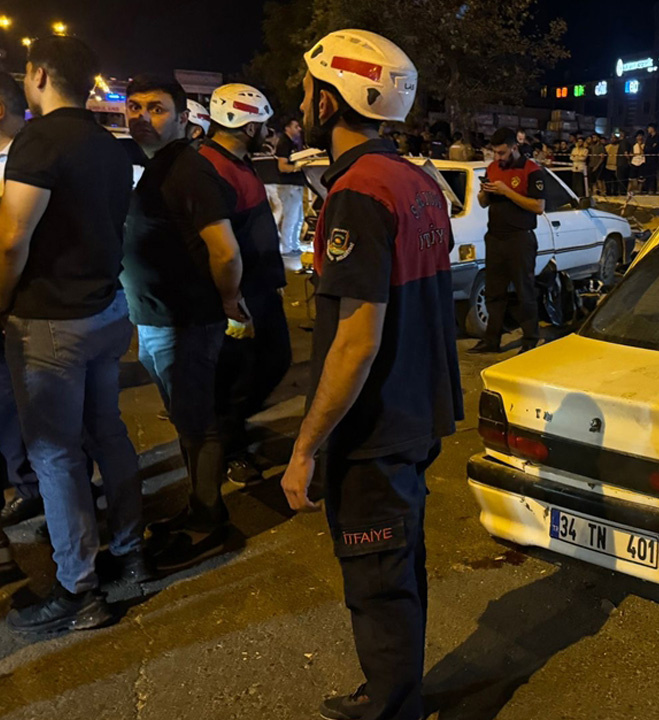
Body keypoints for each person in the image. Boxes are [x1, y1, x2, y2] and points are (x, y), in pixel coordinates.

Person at [282, 29, 463, 720]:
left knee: (378, 581)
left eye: (307, 90)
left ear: (330, 101)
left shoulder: (358, 193)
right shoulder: (417, 179)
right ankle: (395, 690)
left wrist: (304, 448)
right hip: (420, 413)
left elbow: (356, 342)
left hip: (377, 426)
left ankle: (392, 709)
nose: (300, 101)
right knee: (400, 564)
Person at [0, 36, 146, 633]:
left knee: (56, 455)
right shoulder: (111, 147)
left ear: (37, 74)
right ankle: (133, 550)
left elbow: (13, 239)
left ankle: (78, 588)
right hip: (106, 310)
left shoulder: (39, 139)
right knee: (106, 433)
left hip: (50, 321)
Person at [120, 75, 250, 571]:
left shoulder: (187, 170)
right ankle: (197, 506)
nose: (141, 117)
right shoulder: (159, 167)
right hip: (157, 319)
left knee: (199, 424)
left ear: (182, 118)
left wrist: (229, 301)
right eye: (134, 107)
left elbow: (226, 252)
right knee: (186, 421)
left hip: (185, 322)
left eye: (155, 109)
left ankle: (209, 520)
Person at [200, 85, 291, 492]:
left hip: (257, 289)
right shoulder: (210, 168)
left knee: (271, 362)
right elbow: (221, 249)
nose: (267, 130)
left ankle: (227, 431)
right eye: (263, 124)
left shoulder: (237, 162)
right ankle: (228, 447)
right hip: (239, 296)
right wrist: (231, 298)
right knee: (237, 375)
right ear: (248, 123)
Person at [0, 73, 41, 565]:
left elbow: (14, 243)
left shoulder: (27, 163)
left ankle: (27, 482)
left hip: (19, 303)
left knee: (14, 399)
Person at [469, 127, 547, 354]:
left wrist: (506, 191)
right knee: (494, 292)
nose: (497, 158)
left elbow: (538, 206)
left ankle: (530, 339)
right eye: (494, 152)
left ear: (515, 148)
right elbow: (484, 203)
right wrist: (485, 193)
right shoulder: (493, 168)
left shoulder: (531, 170)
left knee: (524, 291)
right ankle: (491, 340)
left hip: (519, 239)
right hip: (495, 238)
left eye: (501, 153)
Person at [271, 115, 307, 255]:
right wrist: (299, 167)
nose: (299, 129)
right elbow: (282, 166)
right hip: (289, 186)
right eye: (295, 126)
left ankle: (294, 246)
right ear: (287, 128)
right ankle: (286, 248)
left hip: (295, 185)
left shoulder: (292, 142)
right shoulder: (284, 143)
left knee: (298, 218)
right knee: (291, 217)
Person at [643, 124, 659, 193]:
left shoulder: (657, 138)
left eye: (649, 128)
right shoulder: (648, 137)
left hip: (654, 159)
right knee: (647, 174)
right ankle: (647, 188)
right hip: (647, 159)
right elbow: (645, 148)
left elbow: (654, 148)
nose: (648, 130)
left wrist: (649, 148)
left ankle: (653, 189)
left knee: (653, 175)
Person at [629, 130, 646, 194]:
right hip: (634, 162)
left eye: (641, 136)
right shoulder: (633, 145)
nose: (639, 138)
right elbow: (631, 154)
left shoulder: (644, 145)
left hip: (641, 162)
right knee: (632, 178)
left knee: (641, 179)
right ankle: (630, 191)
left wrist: (639, 145)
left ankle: (639, 191)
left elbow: (642, 153)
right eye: (638, 136)